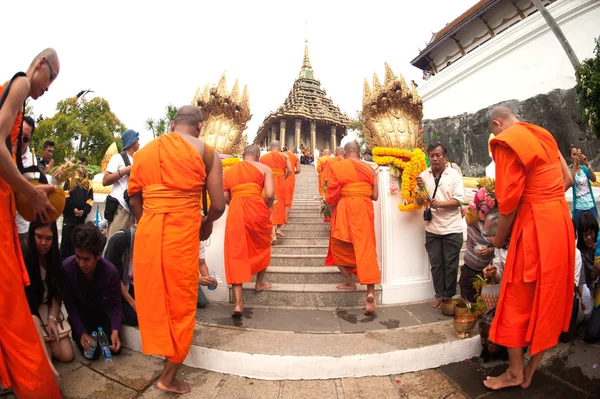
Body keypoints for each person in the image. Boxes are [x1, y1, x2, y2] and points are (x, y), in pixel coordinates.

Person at [128, 105, 225, 394]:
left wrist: (151, 222)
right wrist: (206, 225)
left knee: (154, 295)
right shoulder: (206, 152)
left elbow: (135, 200)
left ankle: (159, 348)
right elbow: (218, 205)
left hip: (149, 232)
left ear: (172, 124)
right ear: (199, 126)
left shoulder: (144, 152)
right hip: (182, 235)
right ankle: (168, 377)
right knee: (181, 304)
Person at [483, 106, 574, 390]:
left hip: (535, 227)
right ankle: (530, 369)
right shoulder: (543, 134)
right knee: (550, 297)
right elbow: (567, 180)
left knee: (515, 298)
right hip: (559, 223)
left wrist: (497, 241)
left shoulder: (507, 141)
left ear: (497, 124)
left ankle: (514, 373)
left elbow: (508, 205)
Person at [0, 48, 62, 398]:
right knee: (8, 303)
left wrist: (32, 187)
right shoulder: (20, 82)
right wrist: (29, 191)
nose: (48, 87)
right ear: (40, 65)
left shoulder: (19, 99)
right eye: (51, 77)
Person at [325, 141, 380, 314]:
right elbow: (375, 196)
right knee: (366, 249)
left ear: (345, 152)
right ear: (359, 151)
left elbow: (331, 197)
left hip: (345, 210)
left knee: (337, 248)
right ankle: (370, 293)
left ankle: (349, 281)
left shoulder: (339, 167)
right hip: (364, 210)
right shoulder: (370, 169)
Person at [224, 145, 274, 316]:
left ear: (243, 155)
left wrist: (237, 204)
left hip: (236, 210)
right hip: (257, 207)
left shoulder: (230, 171)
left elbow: (225, 197)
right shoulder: (265, 168)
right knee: (262, 245)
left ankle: (238, 303)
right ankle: (259, 282)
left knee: (235, 253)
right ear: (258, 155)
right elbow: (269, 194)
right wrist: (263, 208)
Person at [415, 143, 465, 309]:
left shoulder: (454, 175)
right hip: (432, 229)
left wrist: (441, 204)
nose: (435, 158)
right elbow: (418, 201)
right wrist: (421, 189)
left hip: (452, 228)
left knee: (450, 266)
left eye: (438, 155)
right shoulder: (423, 175)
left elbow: (459, 200)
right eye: (432, 155)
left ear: (445, 157)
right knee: (436, 264)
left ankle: (448, 298)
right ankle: (439, 295)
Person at [62, 223, 122, 360]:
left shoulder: (110, 272)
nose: (81, 264)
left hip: (99, 313)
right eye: (78, 257)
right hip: (79, 314)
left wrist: (115, 330)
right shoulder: (67, 268)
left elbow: (116, 304)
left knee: (113, 349)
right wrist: (81, 332)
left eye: (86, 259)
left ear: (98, 255)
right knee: (92, 354)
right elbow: (69, 305)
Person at [24, 221, 74, 379]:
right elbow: (30, 309)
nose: (43, 243)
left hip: (49, 307)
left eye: (49, 238)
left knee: (67, 355)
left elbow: (58, 292)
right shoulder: (26, 258)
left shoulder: (55, 258)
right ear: (32, 235)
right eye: (39, 237)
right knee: (46, 359)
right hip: (32, 312)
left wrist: (52, 319)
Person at [102, 129, 140, 239]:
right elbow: (105, 181)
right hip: (121, 208)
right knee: (115, 244)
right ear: (132, 142)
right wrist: (124, 171)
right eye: (137, 140)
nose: (139, 143)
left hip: (133, 209)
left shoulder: (137, 160)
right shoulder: (118, 158)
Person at [103, 226, 138, 326]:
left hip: (131, 285)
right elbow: (114, 278)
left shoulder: (150, 243)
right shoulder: (119, 240)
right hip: (115, 288)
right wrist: (133, 303)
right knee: (134, 317)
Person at [14, 116, 40, 251]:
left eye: (25, 138)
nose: (20, 140)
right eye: (18, 134)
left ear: (30, 140)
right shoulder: (4, 148)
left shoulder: (32, 162)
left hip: (21, 225)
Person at [60, 159, 94, 259]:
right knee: (66, 245)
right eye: (81, 165)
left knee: (79, 245)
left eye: (85, 166)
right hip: (69, 218)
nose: (83, 168)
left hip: (80, 220)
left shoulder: (88, 184)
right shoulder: (69, 180)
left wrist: (84, 210)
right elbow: (65, 195)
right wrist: (73, 209)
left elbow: (90, 200)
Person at [260, 140, 292, 242]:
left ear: (270, 147)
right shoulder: (284, 156)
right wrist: (284, 177)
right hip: (280, 181)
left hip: (268, 182)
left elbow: (260, 170)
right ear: (280, 147)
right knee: (279, 204)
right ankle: (276, 231)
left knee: (270, 204)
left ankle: (272, 233)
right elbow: (291, 170)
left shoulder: (264, 157)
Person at [460, 220, 494, 303]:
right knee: (466, 300)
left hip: (487, 268)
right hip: (469, 266)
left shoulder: (494, 221)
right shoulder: (472, 219)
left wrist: (490, 249)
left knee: (485, 300)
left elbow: (503, 246)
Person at [569, 145, 597, 229]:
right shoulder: (570, 172)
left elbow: (594, 179)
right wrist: (575, 164)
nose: (576, 156)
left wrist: (587, 163)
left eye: (578, 154)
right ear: (570, 157)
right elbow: (571, 182)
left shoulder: (584, 169)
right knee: (581, 235)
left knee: (594, 233)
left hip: (590, 206)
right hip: (579, 209)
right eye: (574, 155)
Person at [322, 147, 345, 222]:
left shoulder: (330, 161)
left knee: (332, 207)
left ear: (335, 154)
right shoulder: (347, 162)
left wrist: (325, 190)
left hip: (332, 186)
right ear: (344, 153)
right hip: (345, 188)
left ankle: (333, 221)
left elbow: (325, 176)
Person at [283, 146, 301, 221]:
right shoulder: (295, 157)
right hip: (290, 177)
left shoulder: (282, 154)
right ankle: (285, 217)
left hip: (281, 176)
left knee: (280, 196)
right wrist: (293, 172)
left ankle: (277, 216)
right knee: (288, 196)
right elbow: (298, 170)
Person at [197, 240, 216, 309]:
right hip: (172, 278)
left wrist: (208, 280)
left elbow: (201, 264)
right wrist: (196, 279)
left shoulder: (200, 241)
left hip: (190, 278)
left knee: (202, 302)